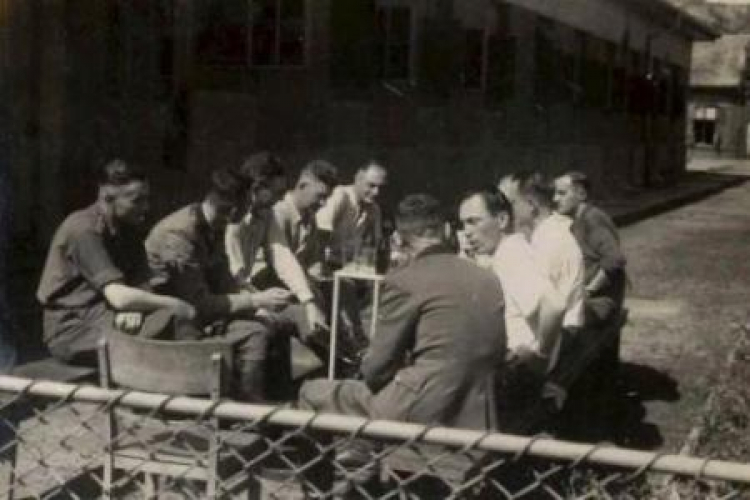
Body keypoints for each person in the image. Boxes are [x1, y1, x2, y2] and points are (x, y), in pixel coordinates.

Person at [299, 193, 506, 431]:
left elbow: (375, 370)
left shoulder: (405, 280)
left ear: (398, 239)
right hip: (477, 413)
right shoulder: (489, 279)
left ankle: (334, 464)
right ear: (448, 231)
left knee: (312, 392)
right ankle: (360, 454)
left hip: (418, 409)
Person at [145, 167, 295, 402]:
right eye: (247, 208)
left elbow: (223, 280)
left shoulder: (212, 225)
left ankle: (278, 409)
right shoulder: (179, 234)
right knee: (255, 333)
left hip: (196, 316)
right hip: (171, 324)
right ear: (234, 209)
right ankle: (248, 414)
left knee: (277, 324)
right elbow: (199, 303)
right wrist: (256, 300)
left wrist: (259, 307)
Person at [37, 159, 196, 365]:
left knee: (176, 321)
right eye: (136, 200)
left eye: (147, 199)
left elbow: (142, 285)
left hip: (108, 316)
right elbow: (119, 296)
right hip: (73, 329)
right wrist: (176, 304)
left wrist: (134, 308)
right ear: (107, 197)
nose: (146, 207)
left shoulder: (129, 230)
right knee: (175, 318)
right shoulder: (83, 229)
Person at [458, 189, 564, 373]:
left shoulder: (513, 256)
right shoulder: (505, 253)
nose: (466, 232)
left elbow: (555, 305)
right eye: (463, 224)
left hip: (519, 370)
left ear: (502, 220)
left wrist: (542, 356)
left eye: (474, 222)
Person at [498, 172, 585, 336]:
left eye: (509, 204)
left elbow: (538, 306)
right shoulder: (548, 233)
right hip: (556, 327)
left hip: (558, 335)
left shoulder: (548, 243)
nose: (504, 213)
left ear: (531, 205)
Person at [265, 160, 339, 333]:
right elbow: (281, 260)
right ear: (302, 185)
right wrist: (310, 300)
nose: (323, 203)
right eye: (320, 196)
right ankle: (338, 355)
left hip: (293, 287)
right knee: (310, 320)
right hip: (269, 287)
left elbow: (313, 262)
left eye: (326, 198)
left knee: (340, 290)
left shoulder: (309, 216)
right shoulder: (279, 211)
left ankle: (349, 347)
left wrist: (318, 289)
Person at [553, 171, 627, 325]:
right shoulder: (574, 220)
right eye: (555, 193)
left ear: (581, 194)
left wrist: (589, 290)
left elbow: (615, 259)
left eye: (562, 193)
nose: (555, 199)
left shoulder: (592, 218)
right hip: (584, 299)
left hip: (601, 302)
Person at [225, 152, 288, 288]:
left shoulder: (267, 214)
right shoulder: (233, 217)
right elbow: (236, 276)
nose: (282, 199)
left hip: (242, 292)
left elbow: (281, 253)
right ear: (257, 188)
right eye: (278, 192)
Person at [316, 161, 386, 268]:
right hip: (326, 263)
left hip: (353, 267)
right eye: (371, 185)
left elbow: (376, 244)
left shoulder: (374, 209)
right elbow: (320, 232)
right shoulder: (341, 196)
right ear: (357, 179)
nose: (376, 192)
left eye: (380, 187)